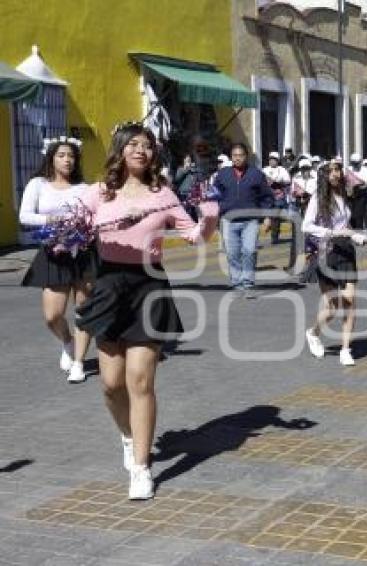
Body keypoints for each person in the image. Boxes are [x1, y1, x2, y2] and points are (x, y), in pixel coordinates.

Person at [75, 123, 218, 499]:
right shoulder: (100, 192)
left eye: (148, 146)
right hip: (108, 286)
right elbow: (71, 231)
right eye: (134, 144)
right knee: (110, 384)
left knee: (140, 380)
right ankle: (127, 436)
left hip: (148, 285)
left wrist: (211, 218)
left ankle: (141, 468)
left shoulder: (163, 194)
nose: (141, 150)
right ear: (120, 149)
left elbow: (194, 236)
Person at [19, 136, 95, 384]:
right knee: (53, 315)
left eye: (72, 156)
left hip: (83, 254)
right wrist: (51, 221)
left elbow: (94, 217)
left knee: (84, 311)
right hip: (53, 253)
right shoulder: (38, 184)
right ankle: (67, 341)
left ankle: (79, 363)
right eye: (62, 155)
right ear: (51, 157)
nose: (67, 160)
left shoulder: (84, 188)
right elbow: (25, 216)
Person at [302, 160, 367, 366]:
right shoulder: (318, 198)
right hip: (326, 252)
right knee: (333, 306)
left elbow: (346, 228)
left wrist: (365, 238)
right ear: (325, 176)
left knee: (350, 301)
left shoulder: (343, 196)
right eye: (331, 171)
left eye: (338, 170)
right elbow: (306, 226)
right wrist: (331, 233)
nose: (336, 174)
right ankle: (313, 332)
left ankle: (346, 349)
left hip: (345, 251)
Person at [214, 143, 274, 295]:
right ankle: (237, 282)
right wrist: (214, 213)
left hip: (250, 220)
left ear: (246, 157)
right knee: (232, 253)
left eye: (240, 155)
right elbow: (214, 195)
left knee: (249, 250)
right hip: (228, 220)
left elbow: (266, 196)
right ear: (231, 157)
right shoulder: (223, 174)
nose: (237, 158)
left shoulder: (256, 174)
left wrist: (267, 216)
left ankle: (247, 282)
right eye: (234, 155)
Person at [263, 151, 291, 245]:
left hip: (278, 196)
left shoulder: (282, 170)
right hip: (267, 196)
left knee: (275, 217)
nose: (272, 161)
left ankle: (274, 236)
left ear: (277, 161)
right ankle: (270, 226)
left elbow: (287, 181)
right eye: (270, 159)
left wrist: (278, 182)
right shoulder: (265, 170)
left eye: (274, 159)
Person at [346, 153, 367, 230]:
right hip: (350, 196)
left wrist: (358, 186)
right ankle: (353, 232)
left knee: (359, 216)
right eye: (353, 163)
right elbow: (345, 182)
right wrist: (348, 188)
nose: (355, 165)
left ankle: (359, 232)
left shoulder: (365, 170)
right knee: (350, 215)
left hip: (361, 195)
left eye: (356, 163)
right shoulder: (348, 169)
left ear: (360, 162)